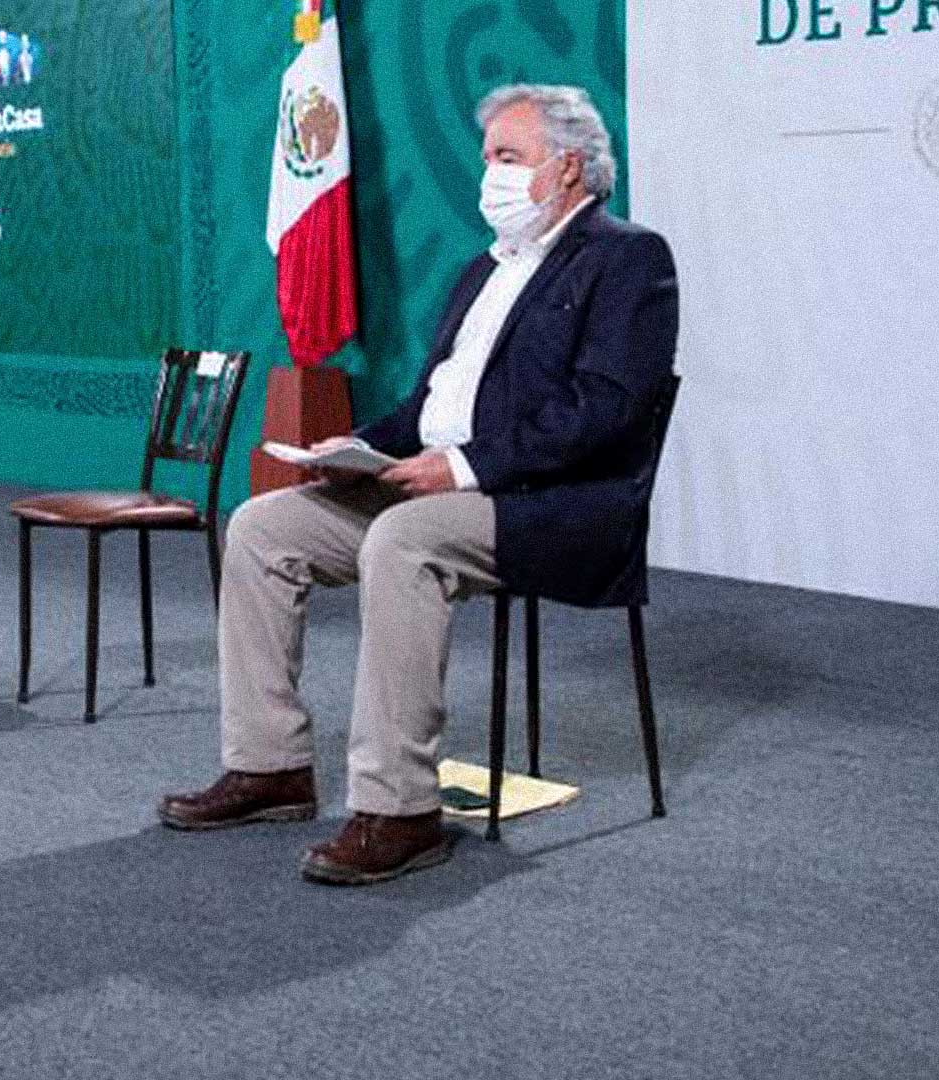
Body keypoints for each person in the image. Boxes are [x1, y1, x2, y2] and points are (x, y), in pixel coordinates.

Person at [160, 85, 678, 886]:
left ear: (570, 167)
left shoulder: (628, 259)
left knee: (403, 541)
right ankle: (270, 767)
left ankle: (399, 808)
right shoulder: (482, 270)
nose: (490, 174)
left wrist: (464, 467)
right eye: (488, 157)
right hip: (437, 487)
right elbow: (425, 412)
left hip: (547, 504)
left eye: (509, 156)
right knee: (263, 525)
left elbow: (604, 411)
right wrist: (355, 448)